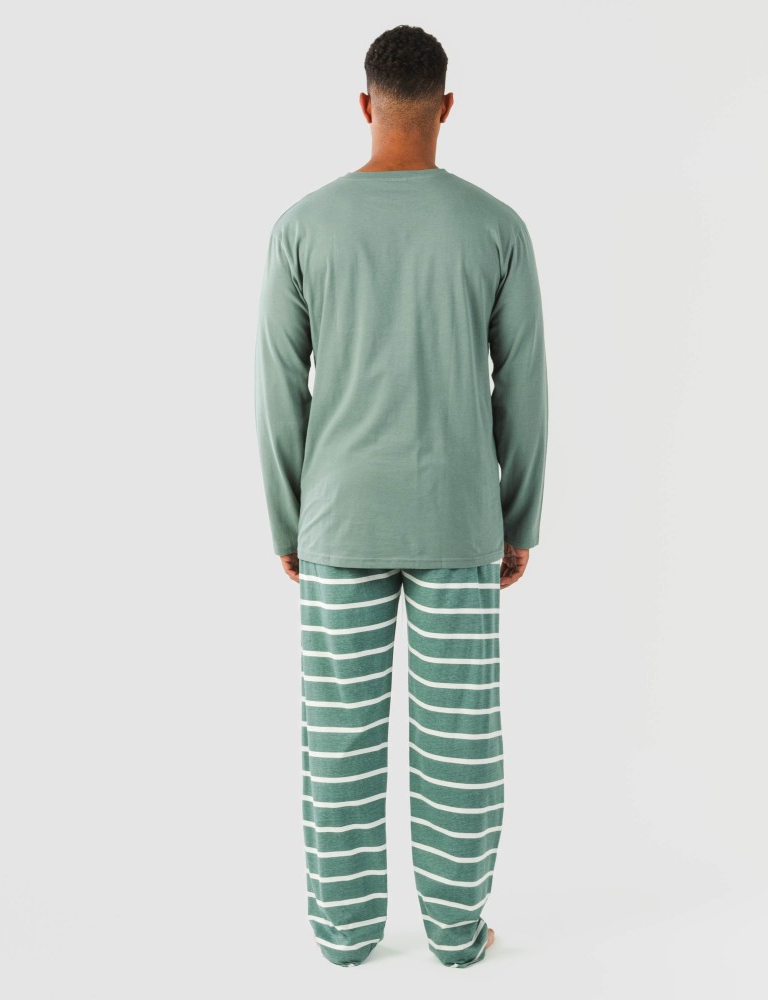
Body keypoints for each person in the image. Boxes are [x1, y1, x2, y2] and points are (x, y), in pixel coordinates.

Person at [254, 23, 548, 968]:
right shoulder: (495, 227)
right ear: (447, 106)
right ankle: (457, 934)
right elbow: (523, 384)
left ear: (365, 103)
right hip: (458, 517)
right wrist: (519, 516)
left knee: (337, 738)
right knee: (459, 739)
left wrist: (287, 518)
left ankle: (345, 936)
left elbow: (277, 387)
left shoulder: (303, 226)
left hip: (338, 517)